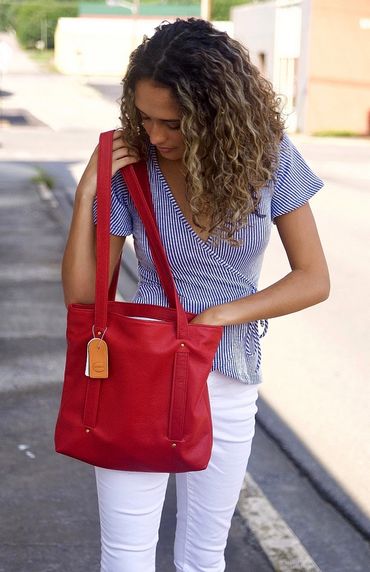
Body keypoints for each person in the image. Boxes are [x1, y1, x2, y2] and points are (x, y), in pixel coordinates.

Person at [61, 18, 330, 572]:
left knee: (204, 557)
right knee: (127, 557)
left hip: (230, 378)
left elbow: (313, 278)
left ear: (217, 116)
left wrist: (219, 316)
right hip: (139, 376)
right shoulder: (133, 165)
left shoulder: (269, 160)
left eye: (174, 123)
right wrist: (91, 189)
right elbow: (85, 296)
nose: (155, 135)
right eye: (144, 117)